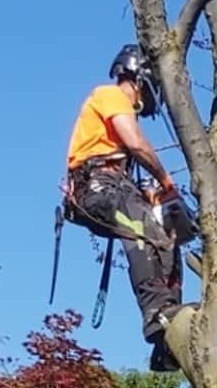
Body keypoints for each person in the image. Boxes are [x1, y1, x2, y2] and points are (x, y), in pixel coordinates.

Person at [65, 44, 188, 371]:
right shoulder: (111, 95)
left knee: (167, 239)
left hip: (114, 189)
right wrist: (165, 181)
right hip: (99, 189)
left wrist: (149, 194)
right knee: (144, 231)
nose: (144, 102)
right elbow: (135, 142)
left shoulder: (117, 135)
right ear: (140, 76)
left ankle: (168, 337)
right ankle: (157, 313)